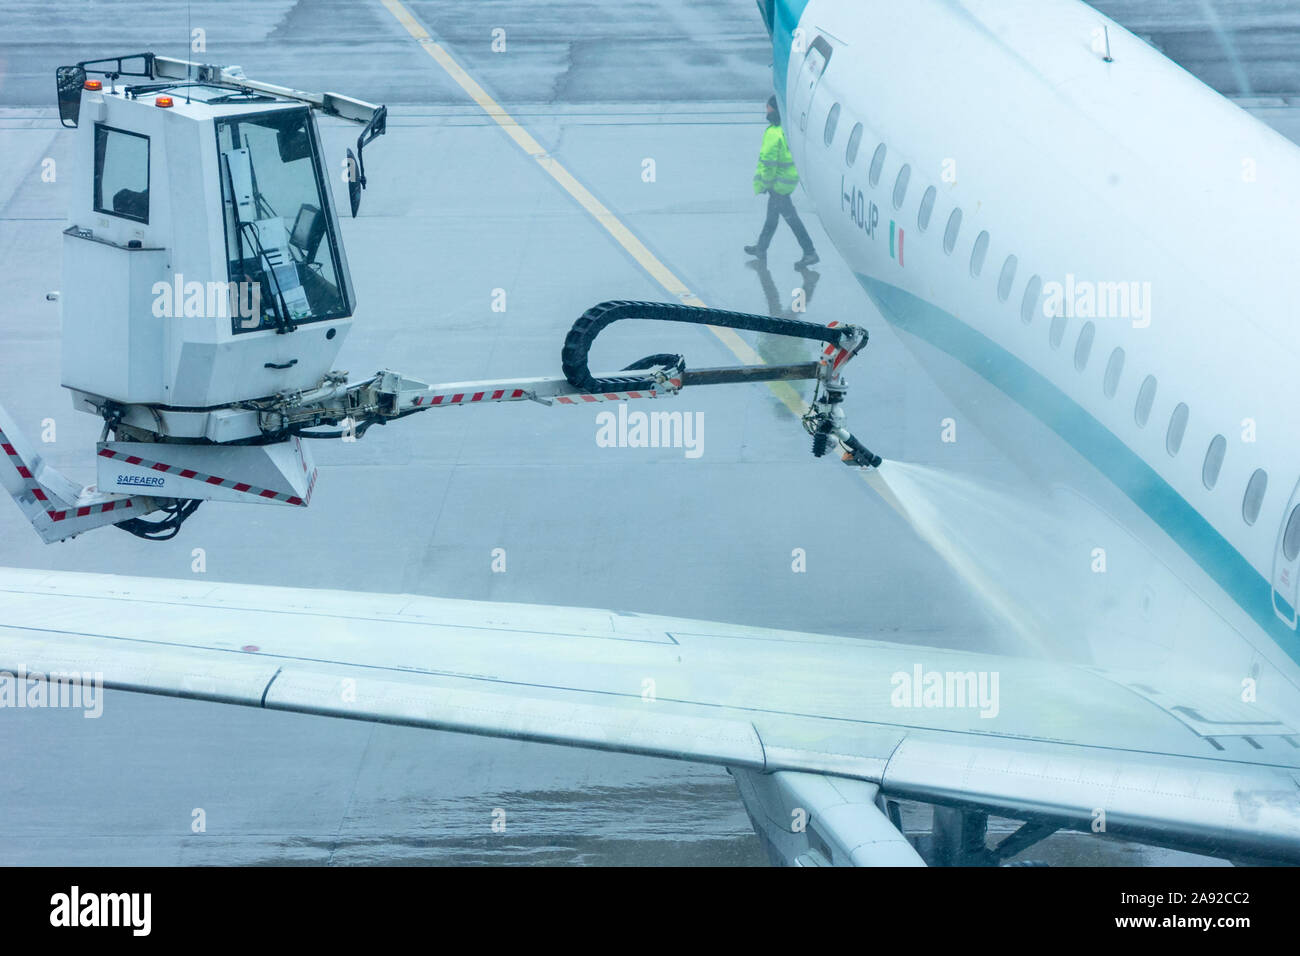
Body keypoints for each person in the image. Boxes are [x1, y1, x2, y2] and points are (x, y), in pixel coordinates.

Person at [746, 96, 819, 268]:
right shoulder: (786, 130)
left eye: (768, 107)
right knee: (772, 218)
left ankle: (810, 252)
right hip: (787, 182)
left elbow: (768, 164)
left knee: (791, 219)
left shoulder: (773, 133)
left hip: (777, 185)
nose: (766, 110)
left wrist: (764, 184)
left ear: (773, 110)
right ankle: (761, 248)